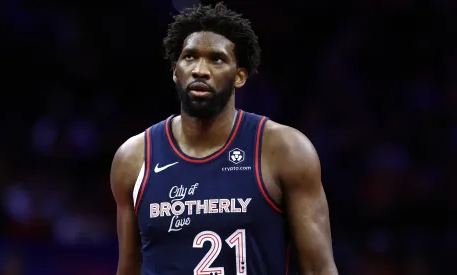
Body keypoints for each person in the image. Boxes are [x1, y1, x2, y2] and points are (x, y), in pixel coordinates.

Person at [110, 3, 337, 275]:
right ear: (175, 71)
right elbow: (128, 269)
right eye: (190, 57)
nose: (200, 70)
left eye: (216, 59)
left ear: (239, 76)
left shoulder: (284, 149)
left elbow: (319, 268)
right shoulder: (134, 158)